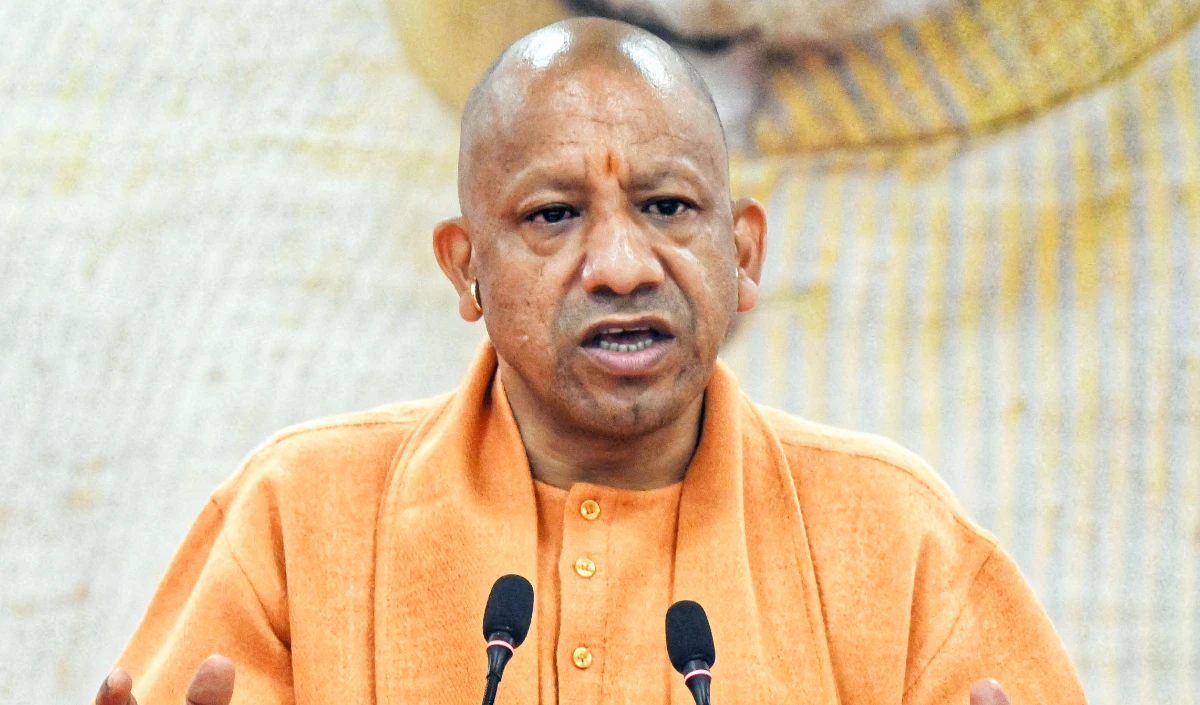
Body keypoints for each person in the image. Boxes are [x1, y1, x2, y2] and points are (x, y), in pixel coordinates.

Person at [94, 17, 1084, 705]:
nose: (620, 266)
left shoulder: (893, 538)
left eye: (667, 206)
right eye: (553, 215)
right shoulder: (297, 515)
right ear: (465, 267)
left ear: (742, 253)